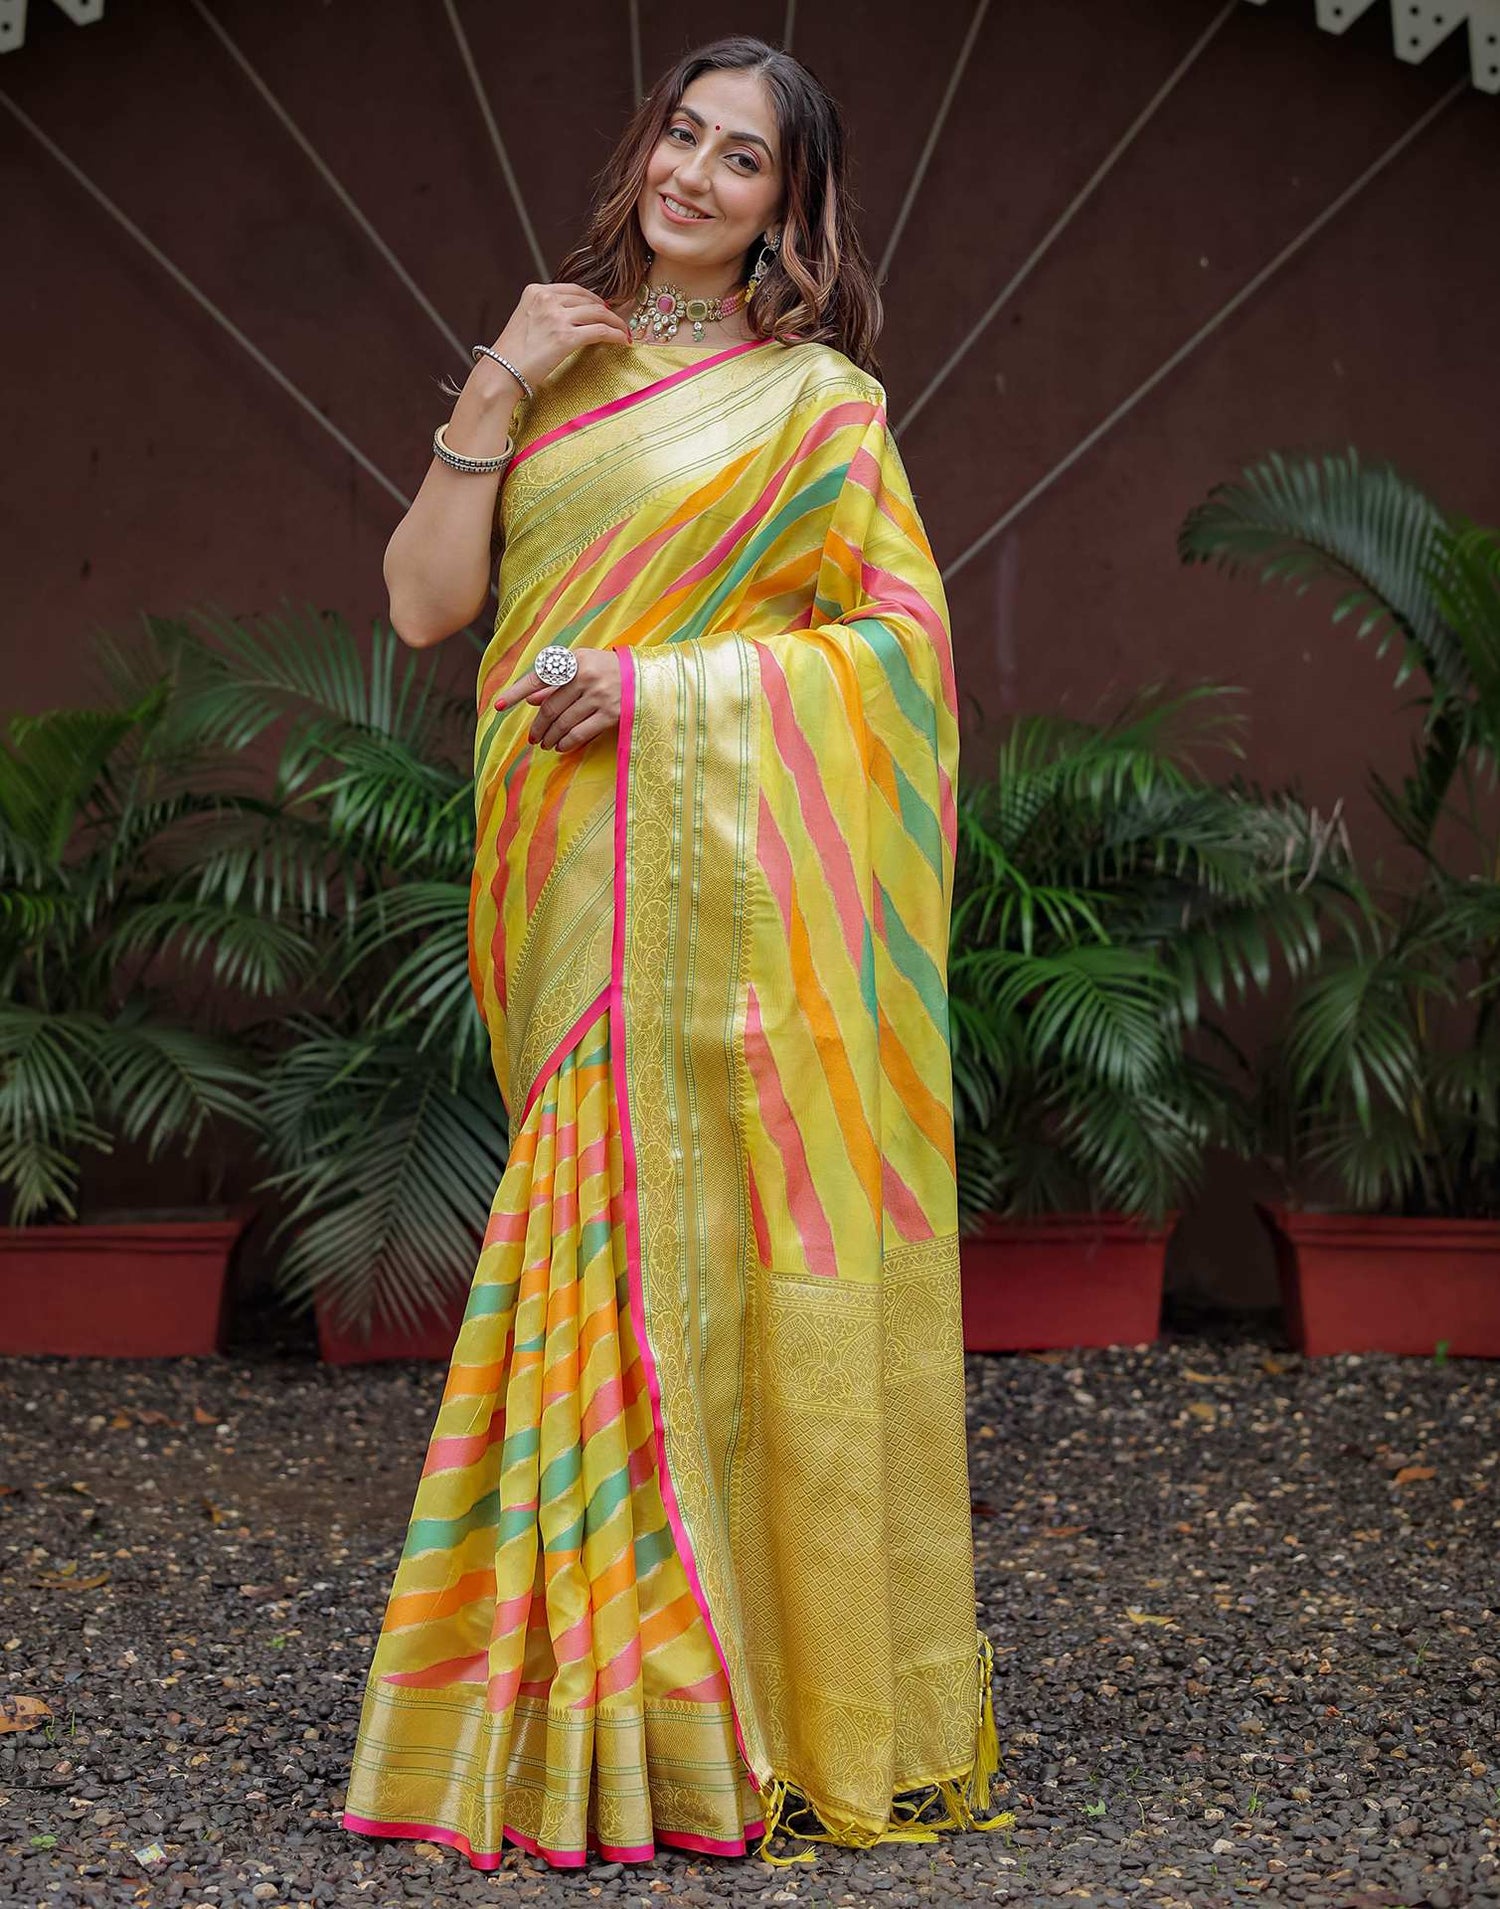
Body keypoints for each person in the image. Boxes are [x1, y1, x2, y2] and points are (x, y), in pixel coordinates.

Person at [340, 32, 1000, 1873]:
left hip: (720, 889)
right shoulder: (553, 354)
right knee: (596, 1240)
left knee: (691, 1247)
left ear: (793, 207)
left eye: (744, 161)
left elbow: (900, 662)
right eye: (684, 138)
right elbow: (422, 604)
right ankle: (576, 1695)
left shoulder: (818, 411)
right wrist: (499, 374)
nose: (698, 177)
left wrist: (658, 690)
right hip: (558, 878)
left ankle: (695, 1709)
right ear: (648, 148)